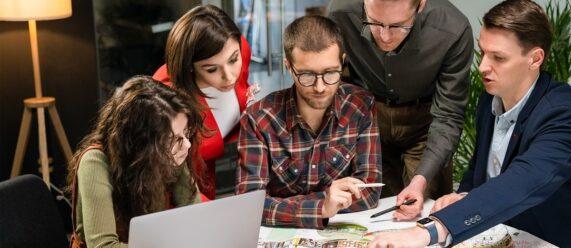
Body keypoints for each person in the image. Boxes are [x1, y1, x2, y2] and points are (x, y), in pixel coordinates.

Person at [369, 0, 571, 247]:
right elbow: (480, 172)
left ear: (535, 59)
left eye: (498, 57)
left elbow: (519, 183)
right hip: (503, 234)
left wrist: (430, 231)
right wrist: (463, 196)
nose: (482, 66)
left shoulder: (565, 115)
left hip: (553, 239)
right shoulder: (491, 99)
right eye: (483, 52)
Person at [327, 0, 473, 220]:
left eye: (398, 26)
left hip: (426, 124)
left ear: (420, 5)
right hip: (370, 120)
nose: (384, 37)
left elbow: (448, 115)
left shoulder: (453, 29)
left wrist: (420, 180)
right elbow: (340, 83)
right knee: (376, 213)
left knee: (423, 211)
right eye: (374, 23)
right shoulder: (341, 13)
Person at [235, 16, 381, 229]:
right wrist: (322, 206)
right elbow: (249, 206)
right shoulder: (258, 119)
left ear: (343, 61)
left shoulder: (360, 106)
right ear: (288, 66)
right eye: (307, 75)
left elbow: (369, 191)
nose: (320, 87)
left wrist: (289, 207)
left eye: (331, 73)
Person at [68, 76, 204, 248]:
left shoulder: (169, 152)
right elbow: (103, 246)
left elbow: (195, 215)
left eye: (186, 132)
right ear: (142, 144)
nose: (187, 144)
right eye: (174, 139)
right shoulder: (95, 162)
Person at [153, 4, 257, 200]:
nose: (229, 77)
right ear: (189, 67)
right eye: (211, 70)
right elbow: (167, 180)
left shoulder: (237, 48)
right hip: (176, 193)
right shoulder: (166, 98)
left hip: (217, 182)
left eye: (233, 60)